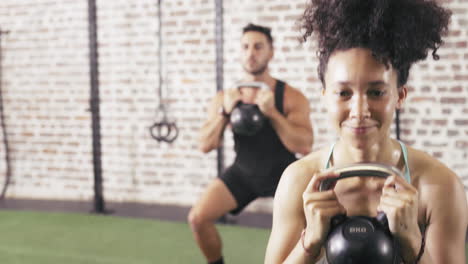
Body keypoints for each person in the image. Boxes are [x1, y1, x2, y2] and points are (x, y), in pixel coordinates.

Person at [264, 0, 468, 263]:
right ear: (325, 97)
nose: (359, 110)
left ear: (399, 95)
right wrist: (311, 240)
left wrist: (412, 241)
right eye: (343, 93)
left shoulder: (439, 187)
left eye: (376, 92)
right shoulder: (298, 181)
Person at [189, 23, 314, 264]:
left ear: (271, 52)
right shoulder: (226, 97)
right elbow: (204, 145)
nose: (251, 53)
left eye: (258, 47)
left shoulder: (290, 96)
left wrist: (273, 114)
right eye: (245, 47)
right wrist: (224, 113)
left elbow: (304, 145)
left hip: (284, 174)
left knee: (312, 231)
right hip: (244, 173)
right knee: (198, 218)